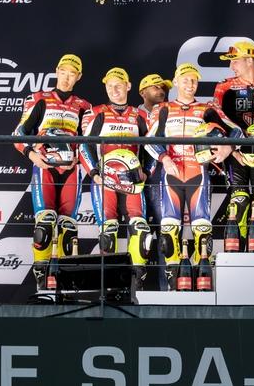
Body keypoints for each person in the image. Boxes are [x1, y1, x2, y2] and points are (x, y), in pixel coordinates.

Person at [145, 63, 242, 289]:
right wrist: (164, 158)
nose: (190, 84)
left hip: (199, 173)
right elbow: (149, 140)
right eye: (186, 79)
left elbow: (236, 131)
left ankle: (202, 284)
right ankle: (172, 285)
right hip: (171, 173)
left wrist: (228, 148)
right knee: (168, 232)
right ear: (176, 82)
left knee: (203, 231)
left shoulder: (207, 108)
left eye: (194, 80)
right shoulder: (163, 109)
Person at [13, 54, 92, 290]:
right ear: (57, 71)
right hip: (45, 167)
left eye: (72, 73)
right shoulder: (39, 99)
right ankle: (41, 279)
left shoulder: (84, 106)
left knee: (68, 228)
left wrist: (77, 158)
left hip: (71, 169)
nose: (67, 77)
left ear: (79, 77)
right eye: (63, 72)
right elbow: (19, 133)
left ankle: (64, 285)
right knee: (44, 224)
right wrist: (32, 155)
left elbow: (87, 143)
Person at [79, 67, 153, 288]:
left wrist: (147, 171)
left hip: (133, 182)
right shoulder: (97, 113)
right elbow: (84, 146)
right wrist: (94, 173)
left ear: (128, 86)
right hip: (105, 181)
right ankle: (109, 286)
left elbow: (153, 147)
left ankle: (136, 282)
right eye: (109, 86)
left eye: (118, 85)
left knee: (140, 229)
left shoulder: (140, 115)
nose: (114, 89)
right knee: (108, 231)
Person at [213, 41, 254, 251]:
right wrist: (231, 148)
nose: (231, 66)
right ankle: (236, 254)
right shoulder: (224, 87)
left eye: (235, 61)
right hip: (236, 154)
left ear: (249, 60)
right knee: (238, 200)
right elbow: (216, 119)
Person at [138, 74, 172, 289]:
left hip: (162, 178)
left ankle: (166, 290)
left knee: (165, 234)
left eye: (163, 88)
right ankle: (133, 291)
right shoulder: (133, 114)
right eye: (155, 87)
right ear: (143, 92)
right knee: (137, 235)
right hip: (135, 181)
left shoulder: (170, 111)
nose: (161, 91)